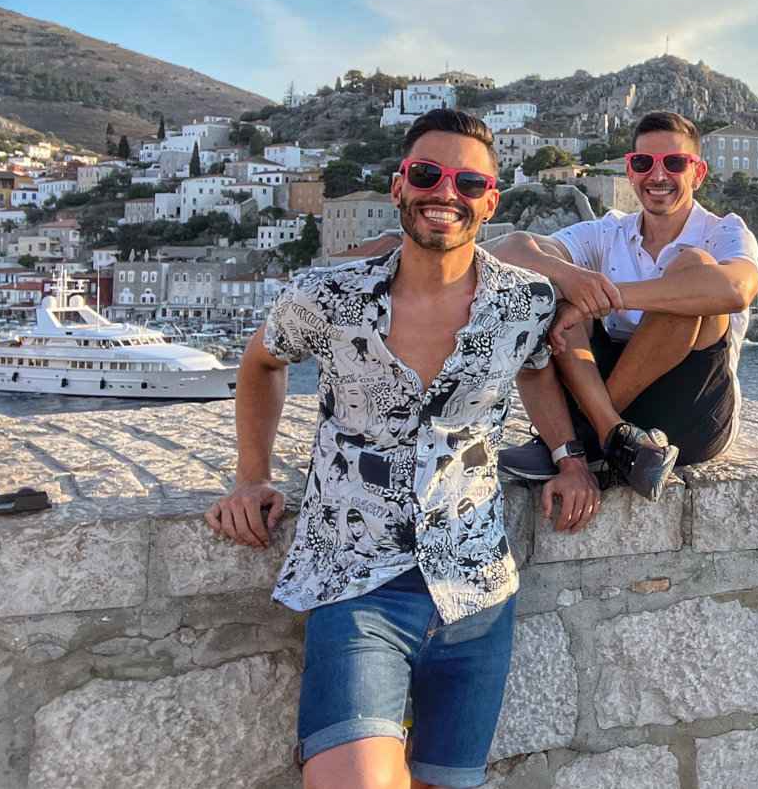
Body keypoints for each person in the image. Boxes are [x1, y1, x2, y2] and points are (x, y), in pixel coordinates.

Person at [204, 109, 615, 789]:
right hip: (356, 580)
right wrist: (251, 477)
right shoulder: (327, 295)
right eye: (427, 174)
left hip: (476, 587)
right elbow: (262, 363)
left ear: (491, 200)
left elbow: (537, 369)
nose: (443, 193)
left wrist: (570, 456)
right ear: (399, 187)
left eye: (466, 180)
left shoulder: (523, 302)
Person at [489, 111, 758, 487]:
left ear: (698, 173)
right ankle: (613, 435)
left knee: (693, 271)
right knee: (552, 292)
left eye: (675, 163)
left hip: (692, 412)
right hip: (604, 391)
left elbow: (735, 290)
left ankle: (585, 437)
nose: (658, 175)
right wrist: (573, 280)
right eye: (644, 163)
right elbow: (510, 249)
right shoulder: (609, 231)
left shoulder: (724, 230)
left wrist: (606, 298)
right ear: (630, 172)